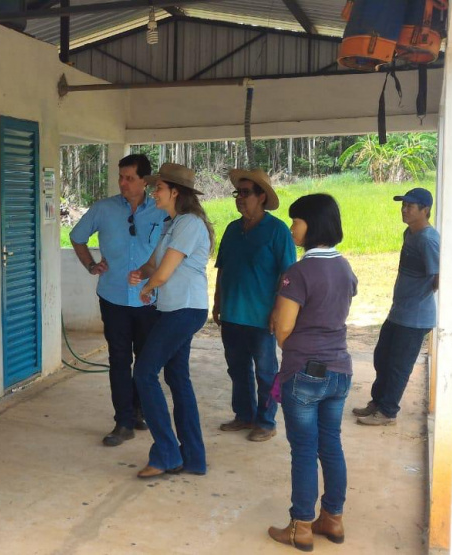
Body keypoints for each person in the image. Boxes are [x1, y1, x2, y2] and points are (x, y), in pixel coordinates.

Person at [268, 194, 357, 551]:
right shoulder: (345, 267)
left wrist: (283, 333)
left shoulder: (299, 272)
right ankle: (332, 519)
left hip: (305, 373)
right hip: (340, 370)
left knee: (304, 450)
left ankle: (300, 526)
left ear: (313, 225)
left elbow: (284, 330)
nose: (292, 229)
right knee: (330, 444)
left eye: (297, 221)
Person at [70, 154, 168, 446]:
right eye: (120, 177)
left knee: (147, 361)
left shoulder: (161, 211)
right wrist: (91, 264)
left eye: (129, 178)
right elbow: (77, 237)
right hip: (113, 297)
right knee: (119, 360)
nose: (123, 183)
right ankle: (123, 421)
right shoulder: (103, 208)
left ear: (145, 181)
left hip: (149, 299)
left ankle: (139, 411)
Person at [128, 163, 214, 478]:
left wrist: (148, 287)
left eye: (159, 187)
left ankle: (167, 453)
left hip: (185, 310)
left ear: (175, 191)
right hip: (173, 309)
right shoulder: (172, 223)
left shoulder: (190, 224)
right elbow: (155, 265)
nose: (154, 192)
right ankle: (193, 457)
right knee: (177, 380)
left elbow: (164, 273)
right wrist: (142, 273)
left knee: (145, 372)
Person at [213, 169, 296, 442]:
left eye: (246, 193)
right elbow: (222, 268)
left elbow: (288, 276)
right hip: (232, 313)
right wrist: (216, 301)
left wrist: (278, 311)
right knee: (237, 369)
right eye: (238, 193)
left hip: (262, 318)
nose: (239, 198)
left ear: (262, 197)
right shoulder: (232, 229)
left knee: (267, 372)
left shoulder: (278, 231)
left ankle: (267, 420)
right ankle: (244, 415)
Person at [353, 188, 439, 426]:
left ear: (425, 210)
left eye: (410, 206)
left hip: (416, 317)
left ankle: (388, 411)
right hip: (398, 312)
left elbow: (439, 277)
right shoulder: (409, 234)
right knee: (382, 358)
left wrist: (418, 295)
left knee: (399, 366)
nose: (404, 209)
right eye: (403, 205)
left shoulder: (429, 240)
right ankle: (377, 402)